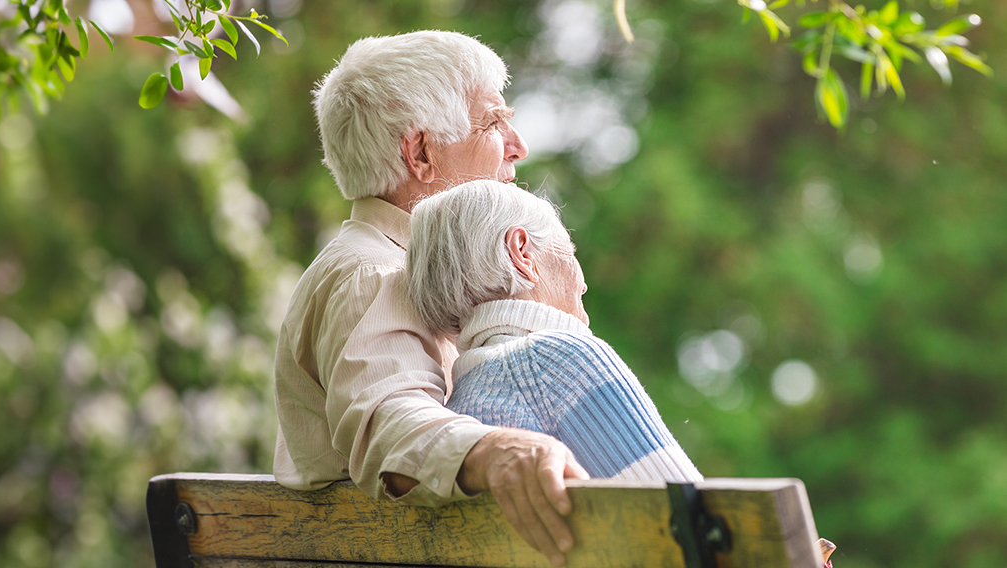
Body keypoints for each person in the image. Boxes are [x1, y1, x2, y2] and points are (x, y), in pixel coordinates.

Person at [272, 31, 587, 566]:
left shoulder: (405, 268)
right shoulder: (375, 273)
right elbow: (387, 418)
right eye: (493, 123)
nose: (518, 145)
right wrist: (497, 450)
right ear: (420, 152)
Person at [406, 180, 703, 482]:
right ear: (521, 253)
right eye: (570, 250)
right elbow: (690, 510)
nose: (583, 283)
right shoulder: (559, 360)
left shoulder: (459, 402)